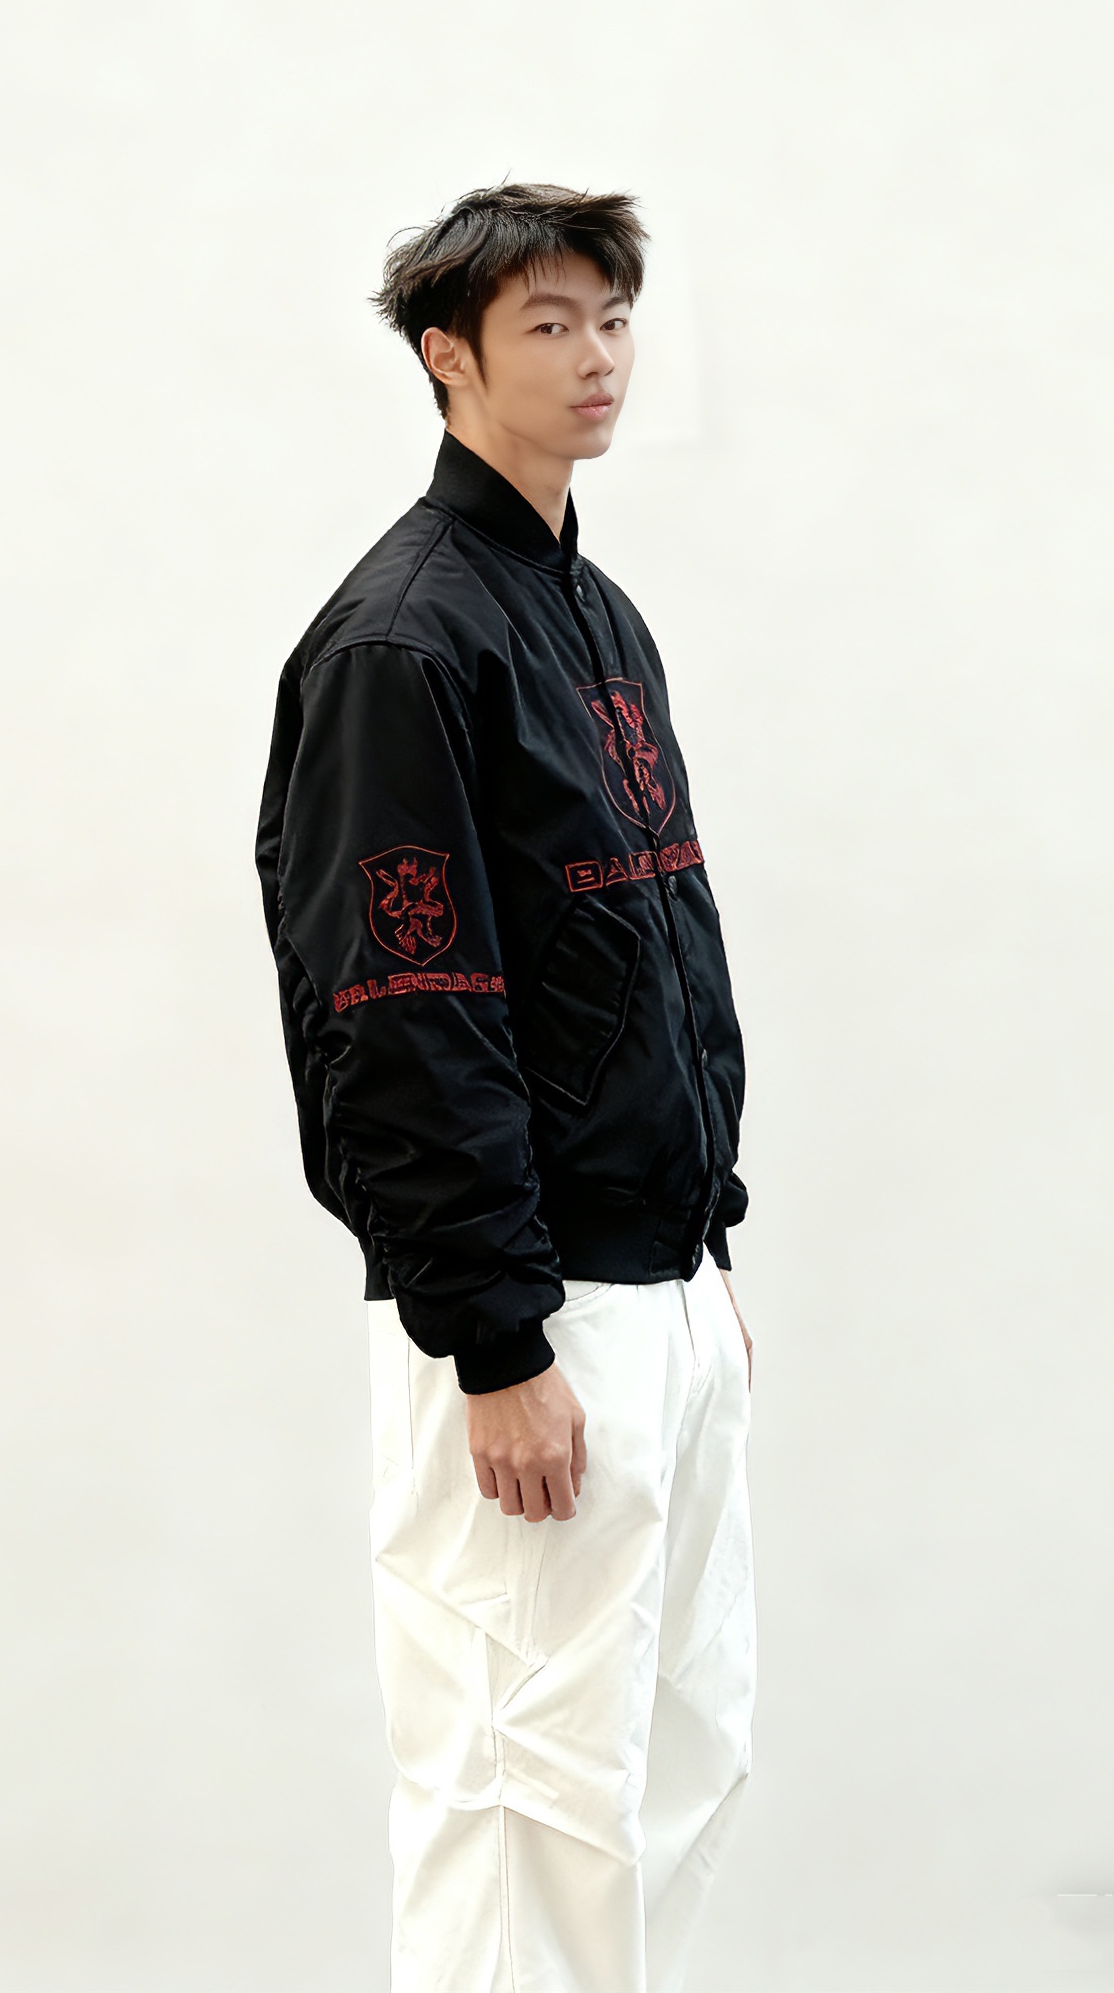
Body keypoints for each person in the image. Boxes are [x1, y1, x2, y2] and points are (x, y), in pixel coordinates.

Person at [255, 183, 756, 1993]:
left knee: (672, 1768)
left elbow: (648, 953)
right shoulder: (405, 644)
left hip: (656, 1288)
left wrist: (701, 1261)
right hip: (533, 1318)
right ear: (445, 358)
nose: (597, 357)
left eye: (612, 318)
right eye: (547, 324)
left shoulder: (591, 616)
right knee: (515, 1793)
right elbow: (399, 1012)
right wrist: (493, 1338)